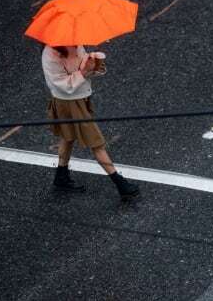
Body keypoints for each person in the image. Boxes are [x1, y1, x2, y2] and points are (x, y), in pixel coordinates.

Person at [41, 44, 139, 199]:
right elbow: (61, 85)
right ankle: (121, 184)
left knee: (68, 138)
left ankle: (61, 176)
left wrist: (94, 66)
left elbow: (83, 69)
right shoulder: (50, 55)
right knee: (97, 144)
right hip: (69, 103)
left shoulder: (76, 44)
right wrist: (85, 71)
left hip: (79, 99)